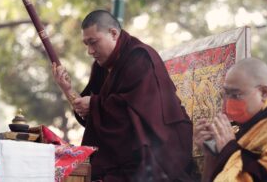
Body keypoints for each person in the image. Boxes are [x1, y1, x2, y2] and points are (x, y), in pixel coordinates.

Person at [52, 10, 193, 182]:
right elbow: (91, 116)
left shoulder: (140, 58)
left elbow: (142, 116)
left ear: (113, 33)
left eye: (93, 42)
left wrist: (95, 104)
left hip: (159, 152)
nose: (89, 51)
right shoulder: (101, 66)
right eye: (86, 44)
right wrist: (67, 90)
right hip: (124, 154)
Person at [195, 57, 267, 182]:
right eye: (225, 94)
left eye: (235, 95)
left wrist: (228, 149)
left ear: (264, 93)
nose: (227, 102)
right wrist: (211, 150)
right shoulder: (246, 125)